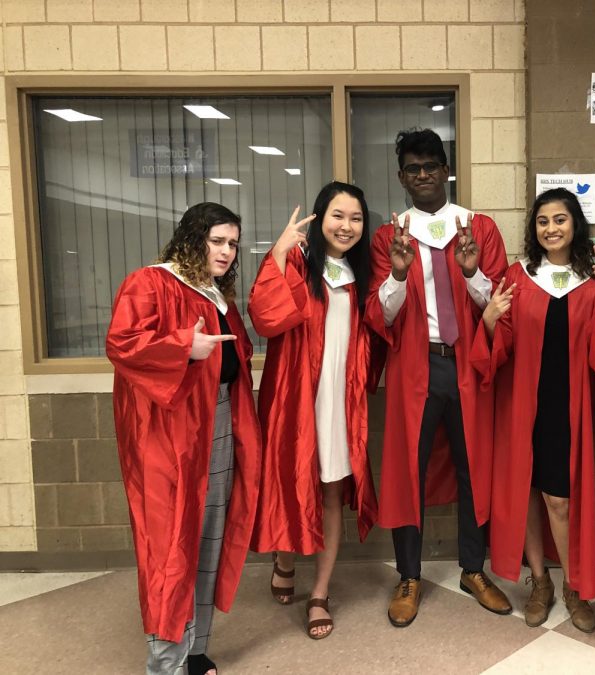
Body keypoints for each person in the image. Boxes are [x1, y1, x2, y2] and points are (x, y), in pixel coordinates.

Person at [106, 202, 261, 675]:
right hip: (169, 438)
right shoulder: (150, 282)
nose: (227, 251)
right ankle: (167, 664)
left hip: (217, 426)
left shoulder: (217, 296)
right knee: (171, 547)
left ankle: (195, 653)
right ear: (192, 239)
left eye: (233, 243)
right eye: (217, 241)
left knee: (209, 538)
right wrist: (181, 347)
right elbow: (122, 343)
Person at [365, 128, 511, 626]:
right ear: (401, 176)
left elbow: (497, 306)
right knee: (407, 470)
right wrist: (399, 274)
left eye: (431, 166)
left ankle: (474, 568)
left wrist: (471, 271)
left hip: (467, 363)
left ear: (446, 169)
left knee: (476, 468)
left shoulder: (478, 228)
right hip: (414, 365)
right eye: (413, 168)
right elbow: (380, 316)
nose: (423, 175)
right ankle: (409, 575)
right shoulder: (391, 236)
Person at [472, 188, 595, 633]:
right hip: (522, 404)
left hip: (566, 406)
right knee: (527, 495)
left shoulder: (593, 281)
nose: (551, 228)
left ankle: (574, 585)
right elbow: (501, 347)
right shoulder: (520, 276)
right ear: (534, 229)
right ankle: (540, 582)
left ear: (575, 225)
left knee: (559, 499)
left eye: (560, 219)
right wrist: (490, 318)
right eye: (542, 221)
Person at [249, 182, 378, 640]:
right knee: (289, 482)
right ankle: (284, 558)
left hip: (341, 404)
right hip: (296, 398)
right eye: (338, 216)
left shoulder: (363, 276)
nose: (347, 226)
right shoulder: (300, 266)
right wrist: (279, 255)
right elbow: (266, 318)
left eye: (356, 218)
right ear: (321, 219)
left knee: (330, 494)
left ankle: (320, 592)